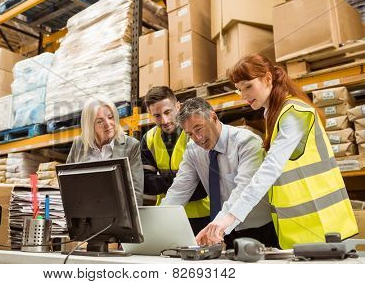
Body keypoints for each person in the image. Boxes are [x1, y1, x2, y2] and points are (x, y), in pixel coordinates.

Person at [204, 54, 358, 249]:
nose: (243, 95)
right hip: (301, 230)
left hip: (324, 227)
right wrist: (222, 221)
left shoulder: (293, 114)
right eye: (239, 90)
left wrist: (229, 220)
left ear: (268, 78)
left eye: (248, 86)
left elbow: (270, 170)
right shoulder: (274, 115)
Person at [161, 97, 279, 249]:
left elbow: (244, 189)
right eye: (190, 134)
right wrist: (158, 224)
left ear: (213, 117)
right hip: (222, 233)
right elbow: (179, 190)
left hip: (258, 231)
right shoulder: (193, 150)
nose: (197, 138)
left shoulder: (246, 142)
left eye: (199, 128)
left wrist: (219, 225)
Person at [141, 87, 210, 235]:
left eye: (167, 112)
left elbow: (202, 187)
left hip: (202, 216)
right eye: (157, 116)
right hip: (168, 215)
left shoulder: (195, 134)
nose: (164, 120)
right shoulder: (149, 139)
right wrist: (181, 179)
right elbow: (146, 184)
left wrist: (161, 182)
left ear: (178, 106)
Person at [66, 97, 144, 206]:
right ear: (90, 126)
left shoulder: (131, 146)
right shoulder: (78, 144)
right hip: (86, 213)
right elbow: (68, 184)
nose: (108, 124)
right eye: (100, 121)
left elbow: (136, 192)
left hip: (119, 214)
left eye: (110, 117)